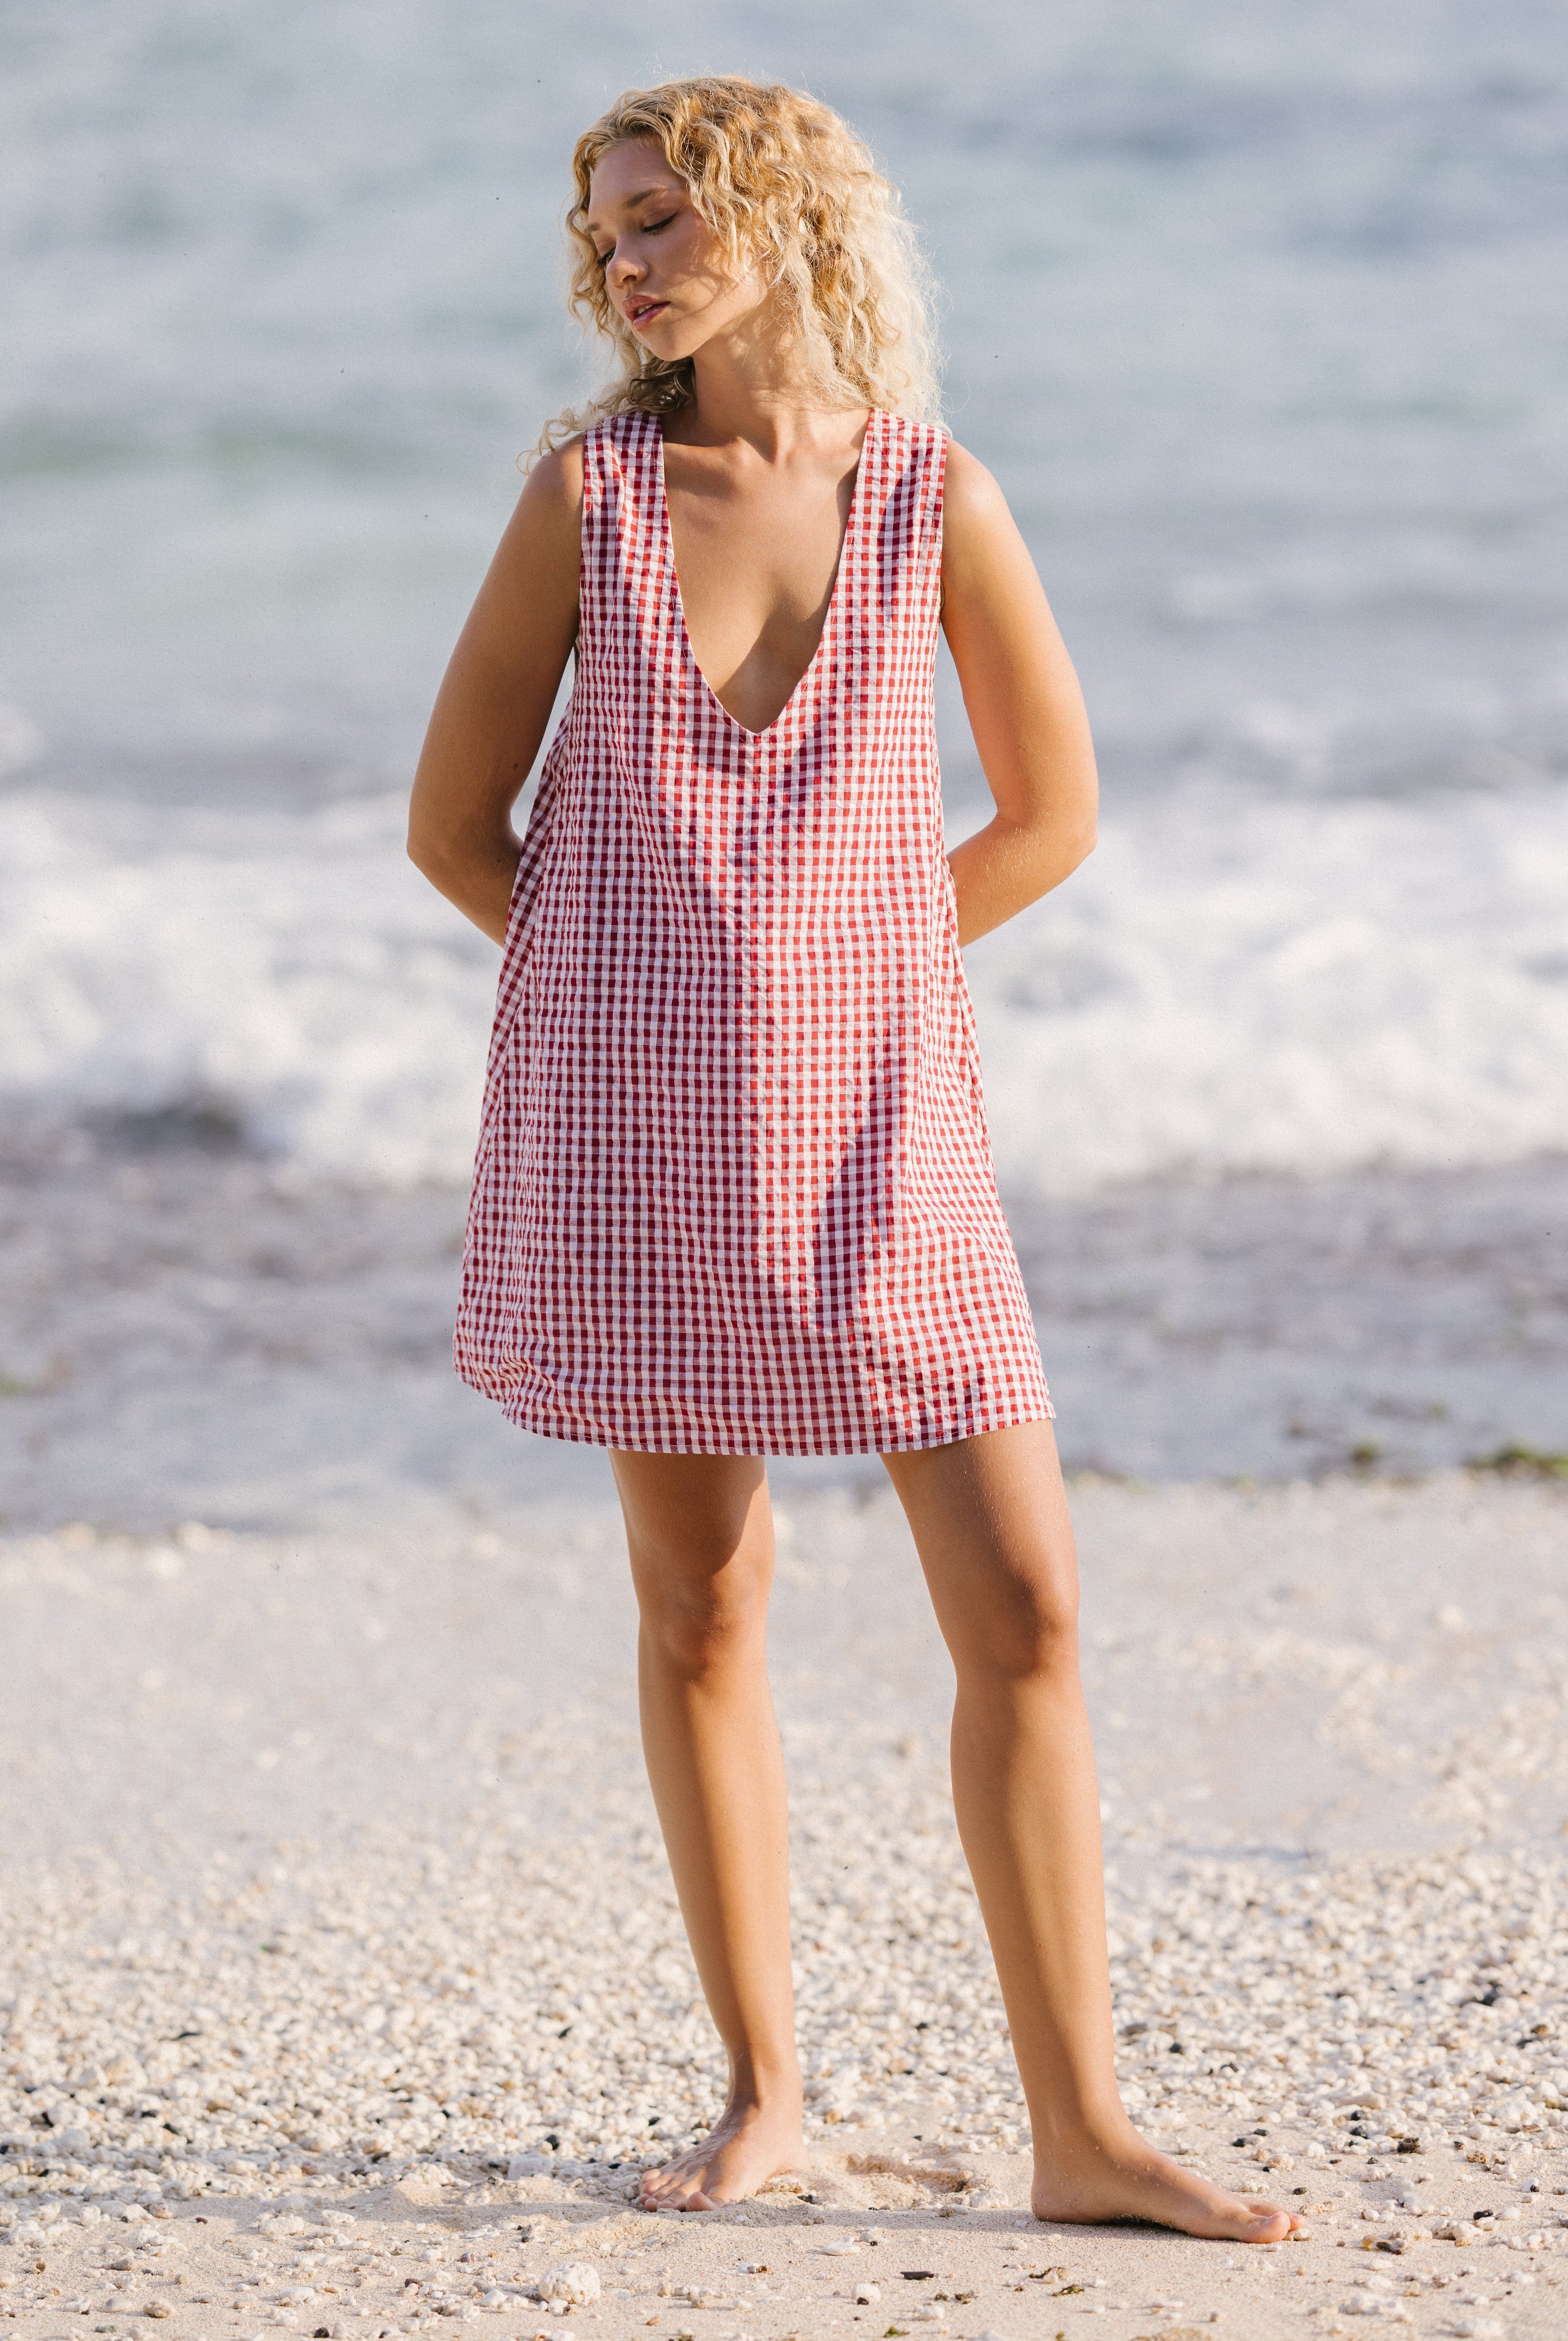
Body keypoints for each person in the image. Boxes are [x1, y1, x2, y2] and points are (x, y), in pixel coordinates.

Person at [408, 74, 1299, 2242]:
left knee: (1022, 1604)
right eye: (602, 231)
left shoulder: (930, 500)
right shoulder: (587, 500)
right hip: (633, 1129)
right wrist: (646, 993)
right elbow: (453, 827)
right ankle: (765, 2092)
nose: (619, 261)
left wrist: (839, 964)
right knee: (702, 1601)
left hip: (880, 1120)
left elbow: (1051, 812)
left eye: (656, 216)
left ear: (782, 212)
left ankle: (1079, 2126)